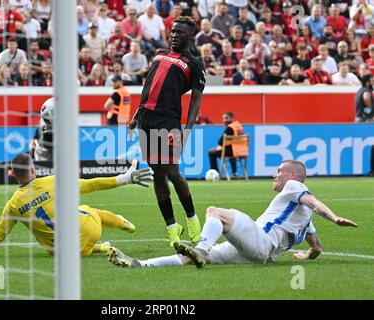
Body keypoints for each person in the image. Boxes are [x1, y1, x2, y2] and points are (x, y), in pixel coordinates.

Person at [108, 160, 358, 268]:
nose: (275, 174)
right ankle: (140, 264)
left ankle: (201, 249)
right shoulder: (304, 220)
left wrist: (334, 217)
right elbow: (317, 248)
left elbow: (313, 202)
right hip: (257, 255)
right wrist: (305, 256)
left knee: (215, 212)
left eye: (280, 170)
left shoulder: (295, 187)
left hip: (261, 242)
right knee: (186, 259)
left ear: (293, 176)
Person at [0, 154, 154, 257]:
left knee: (49, 242)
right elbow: (91, 184)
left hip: (61, 251)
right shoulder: (53, 181)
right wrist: (124, 179)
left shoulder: (12, 205)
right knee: (91, 211)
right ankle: (124, 224)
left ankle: (100, 248)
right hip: (89, 231)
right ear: (33, 169)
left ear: (13, 174)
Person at [128, 16, 206, 246]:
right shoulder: (159, 53)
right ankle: (172, 228)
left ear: (190, 37)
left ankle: (192, 221)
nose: (174, 35)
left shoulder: (194, 64)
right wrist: (136, 114)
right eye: (173, 31)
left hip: (168, 121)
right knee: (158, 173)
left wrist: (188, 128)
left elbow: (195, 100)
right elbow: (148, 87)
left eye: (180, 32)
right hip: (146, 118)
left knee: (172, 172)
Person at [208, 112, 244, 178]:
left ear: (232, 118)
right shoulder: (239, 126)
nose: (224, 120)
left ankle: (215, 174)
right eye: (223, 118)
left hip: (232, 152)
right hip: (241, 151)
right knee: (229, 149)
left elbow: (220, 142)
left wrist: (221, 146)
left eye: (226, 118)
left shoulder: (229, 128)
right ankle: (235, 173)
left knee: (211, 152)